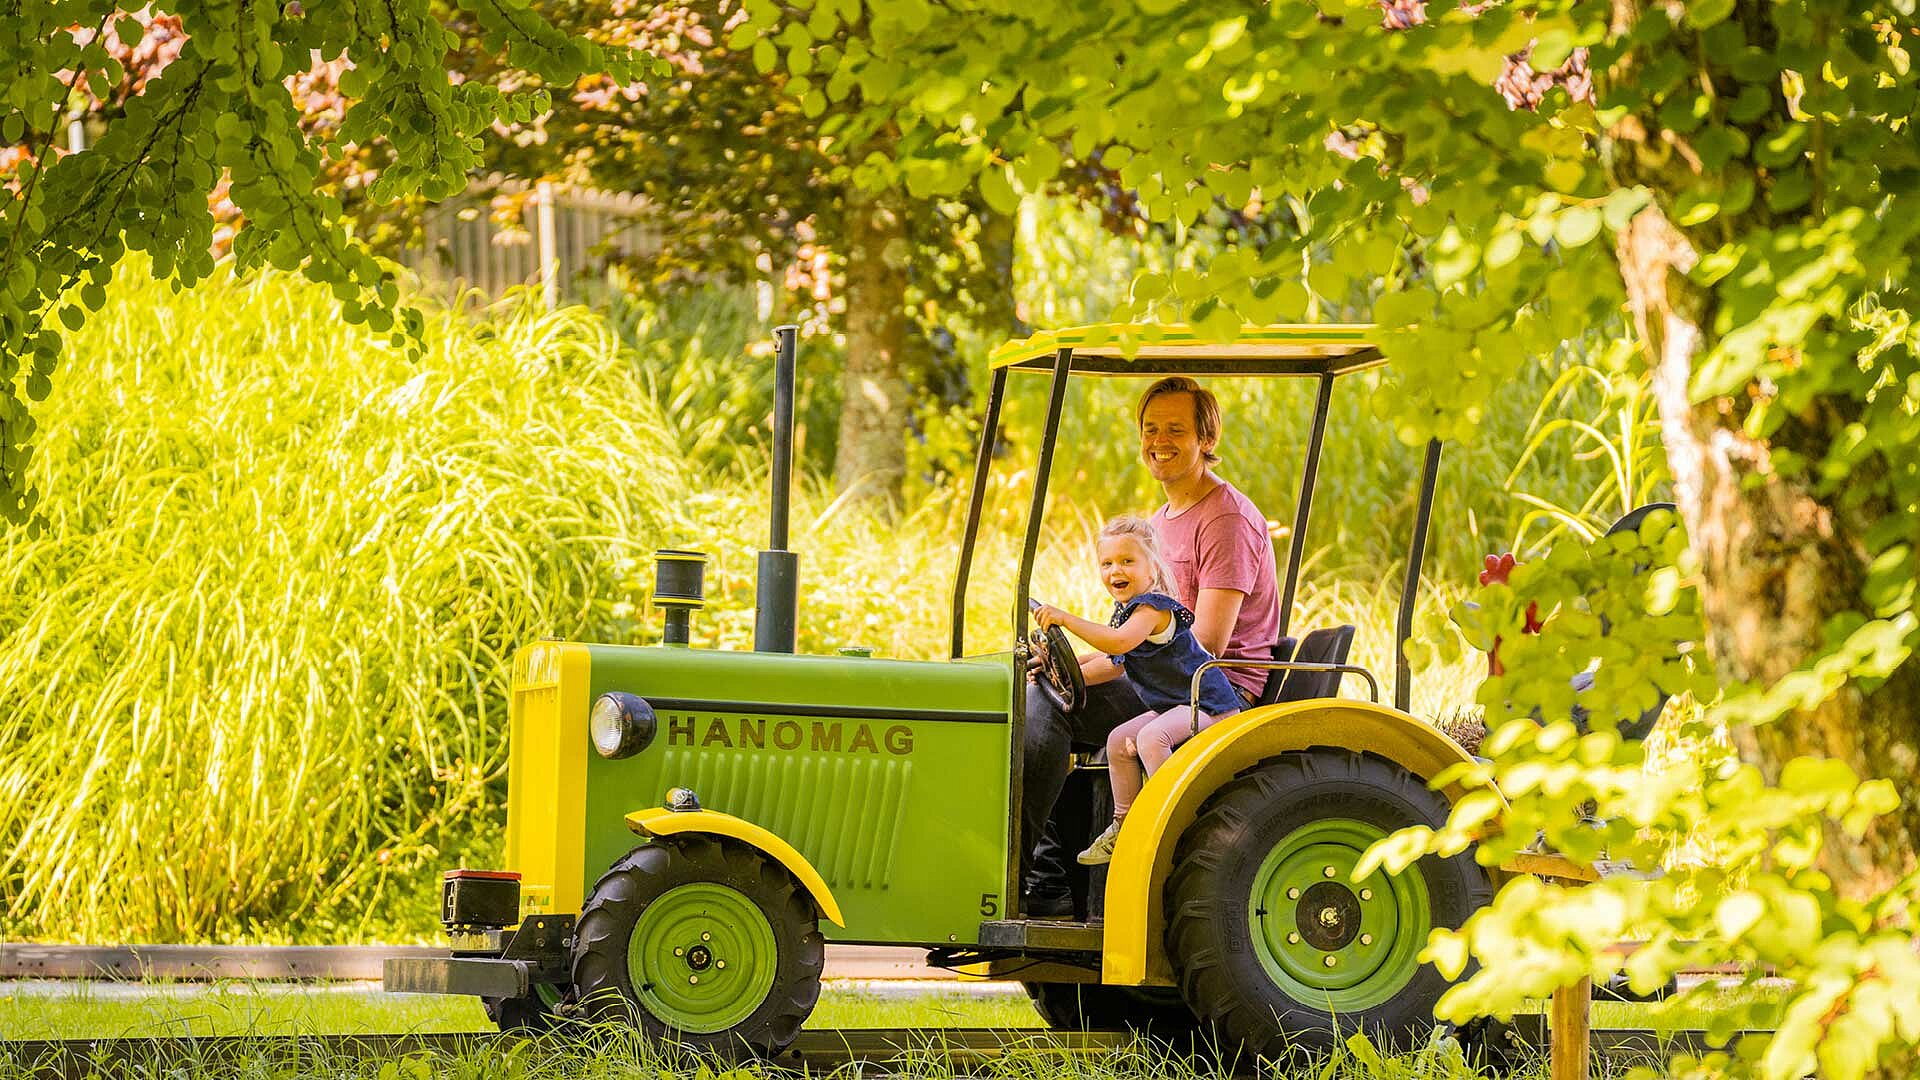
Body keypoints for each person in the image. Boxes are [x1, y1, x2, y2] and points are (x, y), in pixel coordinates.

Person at [1021, 376, 1281, 917]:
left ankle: (1031, 875)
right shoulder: (1158, 524)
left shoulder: (1225, 519)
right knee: (1034, 693)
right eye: (1151, 428)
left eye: (1176, 429)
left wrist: (1083, 663)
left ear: (1205, 437)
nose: (1159, 440)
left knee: (1048, 710)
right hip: (1162, 679)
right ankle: (1054, 875)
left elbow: (1200, 644)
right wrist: (1061, 665)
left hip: (1210, 688)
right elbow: (1133, 648)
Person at [1031, 516, 1243, 867]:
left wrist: (1065, 619)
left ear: (1151, 569)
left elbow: (1117, 643)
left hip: (1205, 706)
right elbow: (1113, 662)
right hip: (1173, 705)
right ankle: (1123, 824)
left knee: (1150, 738)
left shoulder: (1153, 609)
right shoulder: (1126, 614)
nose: (1117, 570)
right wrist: (1056, 670)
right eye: (1108, 563)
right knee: (1118, 740)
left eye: (1128, 561)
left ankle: (1173, 817)